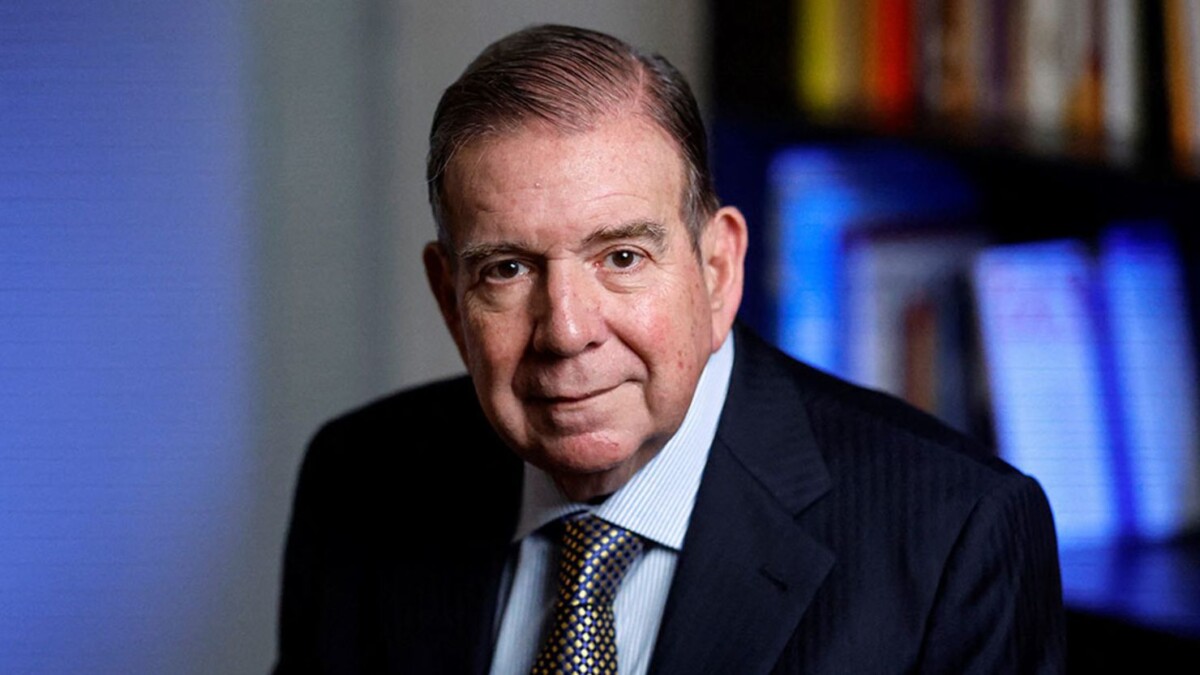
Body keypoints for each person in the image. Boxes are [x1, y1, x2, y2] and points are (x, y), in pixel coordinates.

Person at [274, 24, 1065, 674]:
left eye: (621, 257)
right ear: (451, 297)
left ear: (717, 271)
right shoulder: (358, 479)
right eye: (507, 269)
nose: (567, 330)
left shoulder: (954, 537)